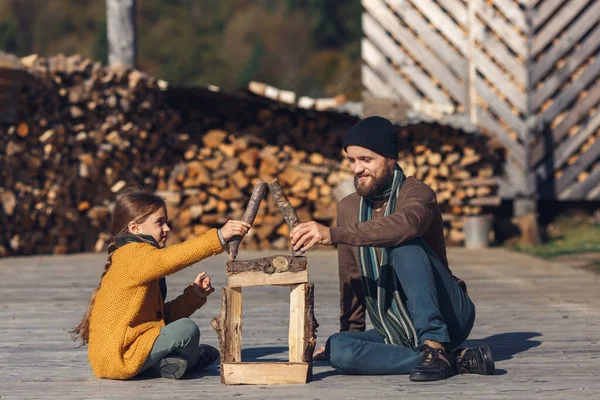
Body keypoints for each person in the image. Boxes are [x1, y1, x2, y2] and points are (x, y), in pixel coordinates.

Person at [290, 116, 495, 381]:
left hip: (448, 315)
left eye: (366, 159)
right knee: (338, 350)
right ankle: (452, 360)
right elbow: (351, 276)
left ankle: (434, 344)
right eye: (352, 160)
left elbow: (405, 226)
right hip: (395, 325)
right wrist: (351, 333)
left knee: (403, 245)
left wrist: (334, 234)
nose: (357, 169)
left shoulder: (418, 193)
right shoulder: (349, 207)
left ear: (390, 158)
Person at [71, 187, 250, 380]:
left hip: (117, 355)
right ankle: (178, 361)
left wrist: (194, 296)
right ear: (135, 228)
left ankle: (169, 363)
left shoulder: (132, 256)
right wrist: (219, 237)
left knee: (184, 332)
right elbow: (171, 258)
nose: (167, 229)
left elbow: (160, 319)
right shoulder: (132, 255)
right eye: (160, 223)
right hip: (119, 356)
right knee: (187, 330)